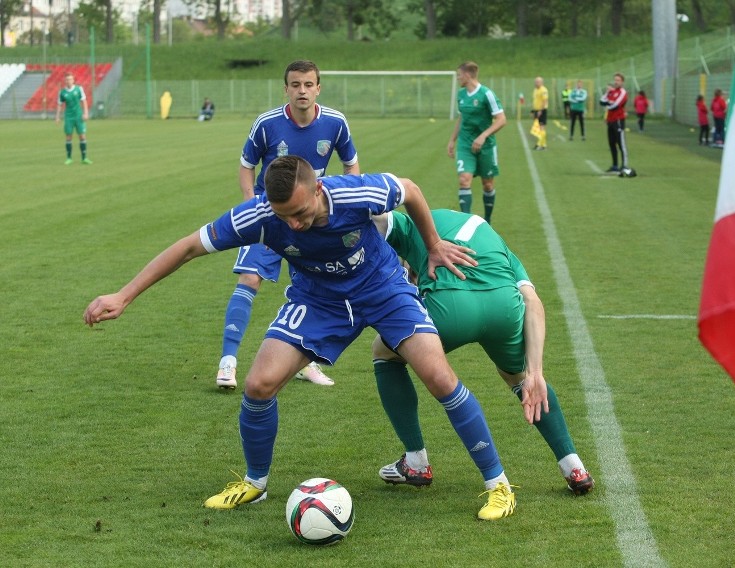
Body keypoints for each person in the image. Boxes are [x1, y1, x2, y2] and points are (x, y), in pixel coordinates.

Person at [83, 155, 519, 521]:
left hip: (383, 289)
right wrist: (123, 295)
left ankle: (498, 485)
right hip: (319, 301)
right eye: (282, 216)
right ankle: (255, 483)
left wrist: (433, 243)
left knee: (439, 378)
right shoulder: (261, 214)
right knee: (258, 384)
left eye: (299, 212)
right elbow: (189, 247)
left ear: (318, 190)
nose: (291, 224)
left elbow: (410, 189)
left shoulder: (356, 192)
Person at [371, 209, 595, 496]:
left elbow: (376, 219)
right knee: (518, 377)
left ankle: (415, 461)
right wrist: (535, 372)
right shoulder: (493, 239)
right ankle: (573, 466)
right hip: (505, 309)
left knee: (383, 351)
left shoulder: (414, 222)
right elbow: (532, 300)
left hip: (449, 308)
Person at [217, 60, 358, 390]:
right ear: (286, 89)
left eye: (308, 85)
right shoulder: (267, 124)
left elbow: (352, 167)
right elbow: (246, 166)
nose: (302, 91)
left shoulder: (335, 123)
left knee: (315, 290)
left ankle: (305, 363)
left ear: (318, 88)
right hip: (269, 216)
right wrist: (252, 204)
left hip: (311, 220)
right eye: (295, 85)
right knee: (250, 279)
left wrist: (340, 207)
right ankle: (228, 362)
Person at [447, 61, 506, 225]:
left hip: (486, 146)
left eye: (459, 75)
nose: (458, 78)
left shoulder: (487, 94)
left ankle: (487, 221)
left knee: (487, 184)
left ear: (467, 75)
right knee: (464, 180)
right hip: (465, 145)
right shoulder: (461, 95)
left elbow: (502, 120)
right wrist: (452, 140)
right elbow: (462, 118)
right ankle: (466, 222)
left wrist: (483, 136)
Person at [55, 72, 91, 165]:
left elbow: (84, 101)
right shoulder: (62, 92)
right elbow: (59, 104)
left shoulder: (79, 89)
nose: (69, 81)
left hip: (78, 116)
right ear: (65, 81)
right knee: (68, 136)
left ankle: (84, 158)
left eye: (70, 79)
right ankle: (69, 158)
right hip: (68, 117)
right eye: (67, 79)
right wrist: (58, 117)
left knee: (82, 136)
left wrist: (86, 113)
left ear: (73, 80)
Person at [600, 73, 632, 175]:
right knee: (612, 143)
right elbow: (601, 101)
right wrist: (607, 93)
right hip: (610, 120)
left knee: (621, 144)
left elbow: (615, 105)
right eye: (615, 80)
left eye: (618, 80)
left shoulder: (622, 92)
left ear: (622, 82)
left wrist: (607, 105)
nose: (616, 82)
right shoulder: (612, 92)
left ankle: (624, 165)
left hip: (618, 120)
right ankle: (615, 165)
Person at [531, 76, 548, 150]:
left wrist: (541, 111)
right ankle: (543, 144)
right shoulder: (535, 90)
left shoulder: (543, 90)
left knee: (542, 127)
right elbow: (535, 100)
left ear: (541, 82)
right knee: (537, 128)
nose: (536, 83)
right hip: (536, 110)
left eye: (538, 82)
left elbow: (545, 101)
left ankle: (539, 144)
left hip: (541, 111)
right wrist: (533, 111)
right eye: (535, 81)